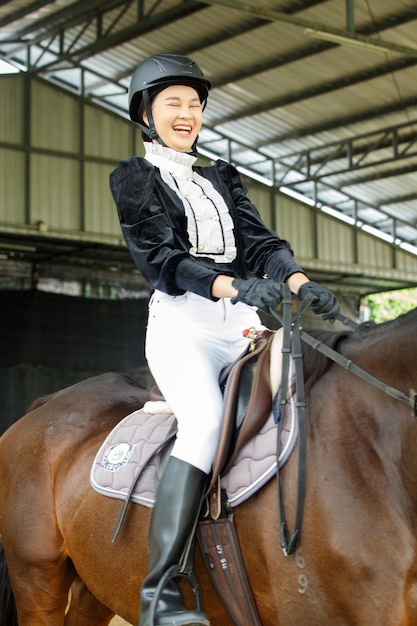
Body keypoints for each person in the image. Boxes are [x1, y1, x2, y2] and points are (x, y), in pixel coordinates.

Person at [110, 53, 340, 626]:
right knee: (207, 421)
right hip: (184, 325)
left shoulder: (220, 177)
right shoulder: (135, 178)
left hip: (240, 324)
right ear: (147, 113)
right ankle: (158, 593)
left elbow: (260, 241)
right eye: (173, 104)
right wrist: (230, 285)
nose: (186, 114)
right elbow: (160, 259)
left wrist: (300, 282)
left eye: (194, 105)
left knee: (315, 397)